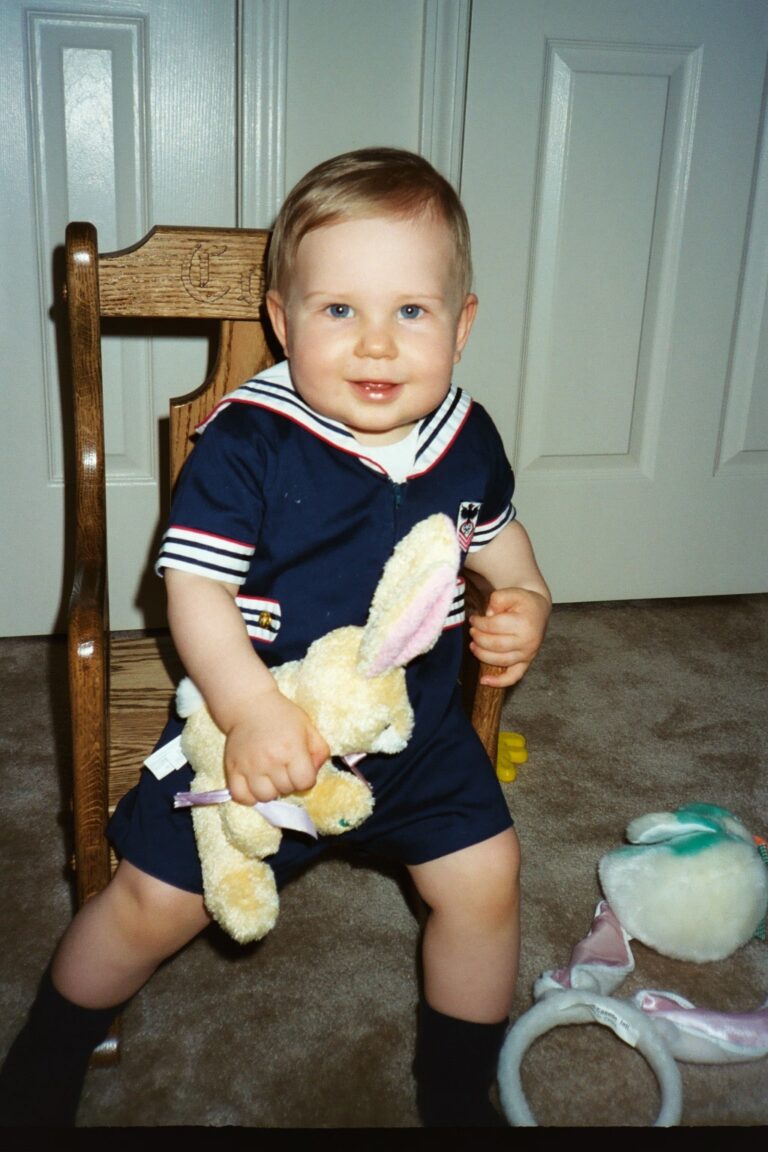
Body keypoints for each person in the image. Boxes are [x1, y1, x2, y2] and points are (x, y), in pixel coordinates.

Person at [0, 147, 551, 1128]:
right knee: (152, 903)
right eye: (338, 309)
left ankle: (454, 1089)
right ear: (281, 321)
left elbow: (501, 544)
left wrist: (529, 598)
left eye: (410, 311)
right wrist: (249, 708)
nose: (376, 344)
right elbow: (194, 591)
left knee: (489, 882)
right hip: (250, 733)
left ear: (462, 326)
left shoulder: (467, 437)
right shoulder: (248, 441)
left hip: (412, 734)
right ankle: (48, 1051)